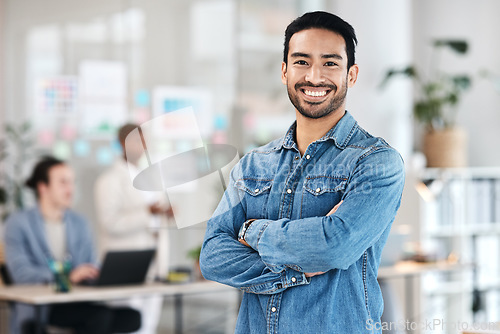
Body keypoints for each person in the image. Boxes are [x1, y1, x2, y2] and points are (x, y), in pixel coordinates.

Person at [200, 11, 405, 334]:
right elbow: (213, 256)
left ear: (351, 75)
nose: (314, 76)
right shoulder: (254, 164)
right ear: (284, 71)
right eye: (301, 62)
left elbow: (334, 246)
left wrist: (252, 232)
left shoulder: (376, 162)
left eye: (330, 63)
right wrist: (297, 269)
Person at [4, 156, 141, 334]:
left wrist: (96, 272)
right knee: (99, 318)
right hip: (45, 306)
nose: (71, 189)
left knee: (132, 317)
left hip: (78, 300)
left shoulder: (80, 223)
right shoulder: (19, 224)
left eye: (72, 182)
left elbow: (91, 263)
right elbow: (22, 274)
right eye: (63, 183)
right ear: (43, 187)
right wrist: (68, 276)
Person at [94, 123, 172, 334]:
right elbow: (110, 223)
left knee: (148, 326)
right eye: (138, 140)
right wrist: (147, 213)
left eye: (144, 139)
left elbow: (156, 215)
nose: (144, 145)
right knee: (128, 325)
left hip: (154, 265)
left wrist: (166, 213)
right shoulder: (108, 180)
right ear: (123, 143)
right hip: (126, 266)